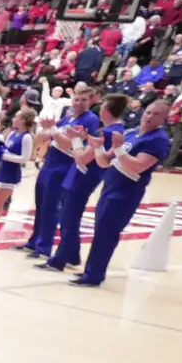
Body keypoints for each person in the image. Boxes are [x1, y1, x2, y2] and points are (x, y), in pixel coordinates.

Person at [73, 97, 173, 288]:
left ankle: (94, 275)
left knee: (107, 233)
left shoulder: (159, 140)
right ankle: (91, 271)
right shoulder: (131, 133)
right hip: (109, 187)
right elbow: (104, 162)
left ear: (164, 119)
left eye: (156, 114)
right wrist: (97, 146)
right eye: (149, 112)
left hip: (126, 193)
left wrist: (118, 149)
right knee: (100, 231)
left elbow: (137, 166)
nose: (150, 117)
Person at [42, 92, 126, 274]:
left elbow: (81, 158)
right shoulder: (112, 130)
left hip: (84, 176)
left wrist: (75, 139)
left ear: (107, 110)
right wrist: (82, 138)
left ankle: (60, 259)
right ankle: (72, 255)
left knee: (69, 218)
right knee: (69, 216)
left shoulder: (110, 132)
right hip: (80, 175)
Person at [23, 83, 97, 261]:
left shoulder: (89, 120)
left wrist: (53, 130)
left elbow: (69, 144)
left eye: (84, 100)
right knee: (40, 204)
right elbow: (47, 136)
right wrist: (45, 130)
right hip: (49, 163)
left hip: (63, 167)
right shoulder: (69, 117)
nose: (79, 103)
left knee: (50, 207)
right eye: (77, 99)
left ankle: (44, 247)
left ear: (91, 101)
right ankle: (34, 241)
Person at [0, 109, 36, 244]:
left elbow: (25, 158)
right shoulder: (12, 133)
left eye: (16, 117)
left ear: (23, 120)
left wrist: (6, 156)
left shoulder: (27, 137)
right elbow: (4, 150)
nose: (13, 119)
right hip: (1, 169)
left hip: (11, 172)